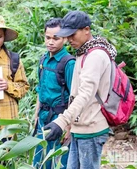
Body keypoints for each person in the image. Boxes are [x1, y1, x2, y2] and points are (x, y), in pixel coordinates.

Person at [44, 11, 116, 169]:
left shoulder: (95, 56)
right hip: (81, 126)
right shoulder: (84, 52)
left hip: (92, 128)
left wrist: (62, 121)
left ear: (86, 30)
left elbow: (85, 94)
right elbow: (75, 93)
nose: (69, 40)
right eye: (67, 35)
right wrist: (69, 124)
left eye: (73, 35)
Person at [33, 18, 75, 168]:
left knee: (58, 161)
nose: (51, 42)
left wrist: (68, 127)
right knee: (40, 159)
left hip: (59, 120)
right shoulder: (43, 59)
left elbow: (74, 97)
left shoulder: (68, 63)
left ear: (64, 38)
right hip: (43, 118)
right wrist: (36, 114)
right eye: (48, 37)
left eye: (56, 38)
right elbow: (40, 88)